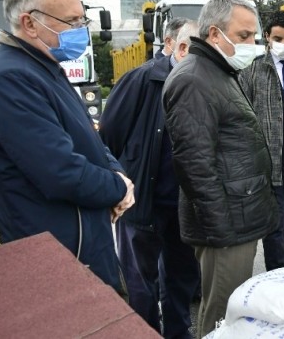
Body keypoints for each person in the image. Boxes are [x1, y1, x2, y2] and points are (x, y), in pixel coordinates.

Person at [0, 0, 135, 292]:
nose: (81, 30)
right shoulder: (8, 79)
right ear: (30, 23)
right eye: (72, 21)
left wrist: (118, 175)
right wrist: (118, 189)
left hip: (83, 240)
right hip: (55, 255)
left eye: (82, 21)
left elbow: (90, 140)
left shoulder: (43, 69)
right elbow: (60, 171)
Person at [162, 0, 279, 338]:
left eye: (254, 36)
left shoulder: (217, 71)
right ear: (215, 34)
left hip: (235, 217)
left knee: (233, 308)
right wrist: (221, 230)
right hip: (224, 226)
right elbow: (194, 164)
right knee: (222, 314)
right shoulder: (194, 79)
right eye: (244, 36)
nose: (253, 44)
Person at [99, 20, 200, 338]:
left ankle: (177, 332)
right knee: (140, 282)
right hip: (143, 202)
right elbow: (109, 137)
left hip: (184, 206)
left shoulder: (201, 82)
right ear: (179, 47)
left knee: (180, 277)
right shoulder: (140, 80)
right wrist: (123, 181)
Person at [239, 11, 284, 271]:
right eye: (278, 38)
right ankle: (277, 276)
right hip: (269, 163)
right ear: (268, 37)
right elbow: (242, 116)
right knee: (275, 225)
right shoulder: (252, 71)